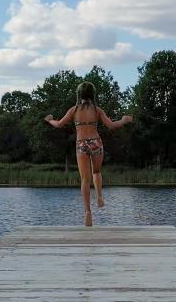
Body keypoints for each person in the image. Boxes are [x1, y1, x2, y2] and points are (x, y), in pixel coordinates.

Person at [45, 81, 132, 226]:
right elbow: (111, 125)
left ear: (79, 95)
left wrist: (50, 120)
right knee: (96, 172)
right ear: (93, 95)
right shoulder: (97, 110)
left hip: (82, 144)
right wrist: (124, 120)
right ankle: (99, 196)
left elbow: (59, 124)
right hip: (96, 142)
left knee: (85, 180)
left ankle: (87, 213)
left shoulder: (74, 110)